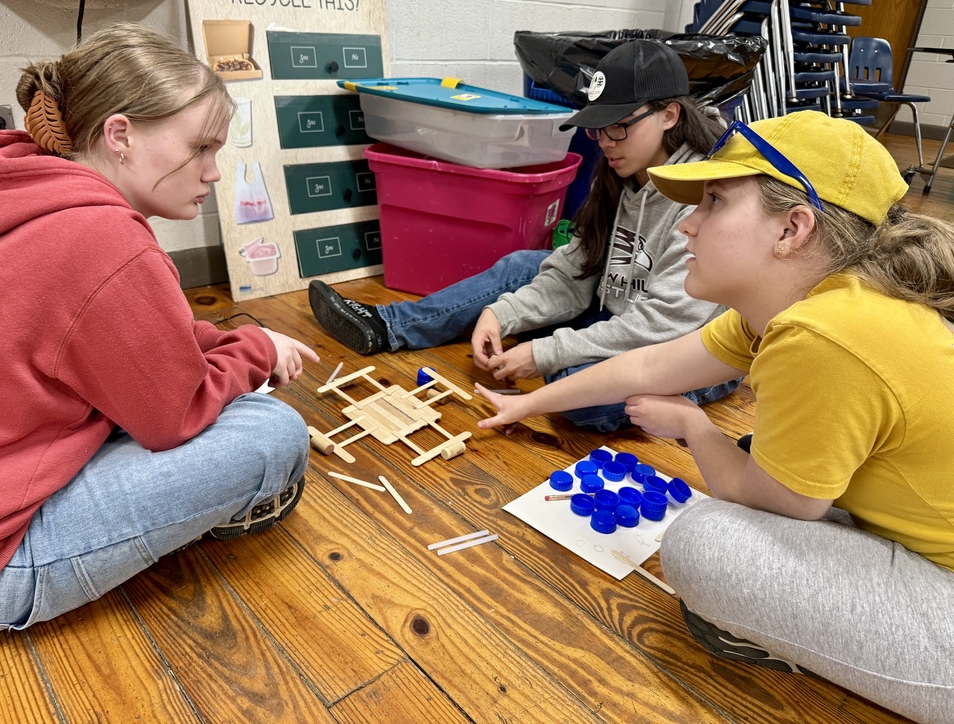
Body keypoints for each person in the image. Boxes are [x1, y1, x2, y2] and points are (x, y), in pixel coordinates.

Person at [477, 110, 954, 723]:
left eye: (715, 203)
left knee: (704, 543)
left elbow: (786, 505)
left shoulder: (824, 335)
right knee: (763, 455)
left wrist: (694, 428)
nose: (688, 228)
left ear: (792, 229)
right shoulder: (809, 304)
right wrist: (529, 402)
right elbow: (648, 368)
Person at [0, 23, 318, 640]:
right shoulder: (104, 239)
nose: (214, 172)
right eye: (201, 149)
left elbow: (127, 336)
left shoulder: (23, 199)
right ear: (120, 135)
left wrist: (225, 344)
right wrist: (258, 349)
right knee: (272, 433)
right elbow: (177, 414)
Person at [310, 39, 738, 432]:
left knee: (581, 401)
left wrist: (548, 351)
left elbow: (663, 325)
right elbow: (575, 271)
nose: (606, 142)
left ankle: (691, 392)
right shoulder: (619, 172)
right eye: (597, 128)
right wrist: (504, 314)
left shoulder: (702, 197)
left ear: (669, 114)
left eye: (619, 126)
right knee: (524, 268)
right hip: (612, 312)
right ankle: (388, 327)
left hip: (679, 344)